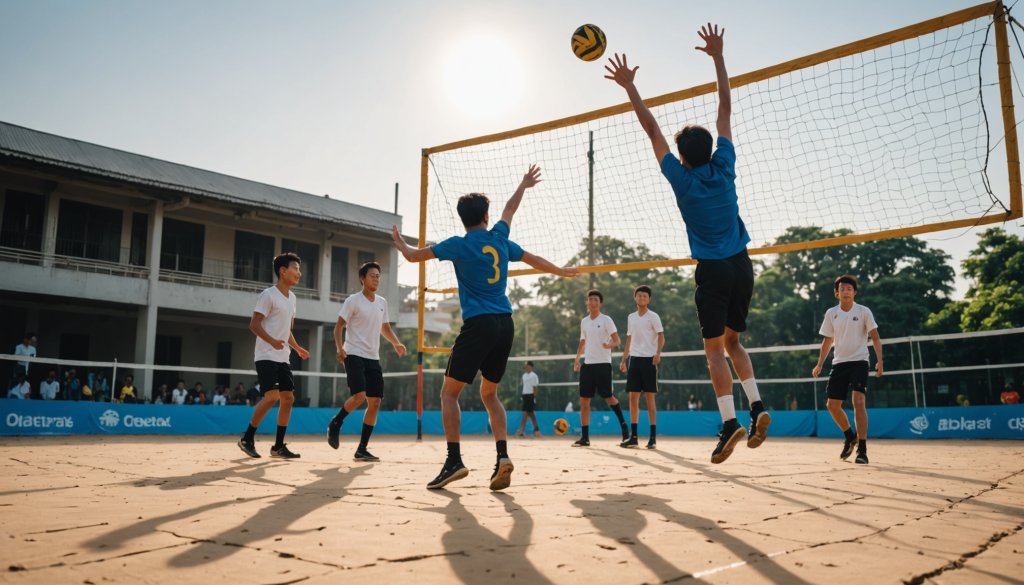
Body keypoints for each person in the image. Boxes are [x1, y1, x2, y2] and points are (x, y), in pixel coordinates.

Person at [605, 25, 769, 464]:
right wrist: (717, 56)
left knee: (714, 349)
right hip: (743, 265)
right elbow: (725, 109)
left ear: (681, 157)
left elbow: (651, 127)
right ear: (712, 149)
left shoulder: (681, 179)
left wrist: (630, 87)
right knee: (735, 343)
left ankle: (731, 422)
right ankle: (757, 406)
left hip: (713, 270)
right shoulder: (726, 164)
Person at [391, 164, 579, 490]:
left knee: (449, 393)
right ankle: (502, 457)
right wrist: (559, 271)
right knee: (489, 393)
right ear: (486, 217)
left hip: (479, 323)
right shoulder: (500, 238)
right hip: (506, 323)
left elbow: (411, 256)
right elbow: (515, 219)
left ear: (462, 219)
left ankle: (454, 461)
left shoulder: (458, 244)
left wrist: (400, 244)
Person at [328, 261, 407, 461]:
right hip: (353, 353)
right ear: (362, 278)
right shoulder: (353, 301)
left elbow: (385, 328)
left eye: (378, 276)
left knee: (375, 402)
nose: (376, 279)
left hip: (373, 357)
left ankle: (362, 449)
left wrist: (396, 343)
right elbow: (338, 327)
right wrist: (340, 348)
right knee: (359, 396)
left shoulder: (382, 302)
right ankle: (336, 422)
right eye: (372, 275)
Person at [237, 253, 310, 459]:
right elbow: (254, 324)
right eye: (295, 268)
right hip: (265, 355)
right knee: (271, 397)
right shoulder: (268, 295)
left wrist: (296, 347)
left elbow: (286, 330)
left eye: (299, 269)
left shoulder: (292, 298)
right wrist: (271, 341)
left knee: (288, 398)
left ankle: (278, 446)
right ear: (282, 271)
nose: (299, 273)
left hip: (282, 356)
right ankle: (247, 438)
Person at [812, 275, 882, 465]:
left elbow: (875, 337)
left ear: (855, 292)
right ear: (837, 293)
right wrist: (819, 364)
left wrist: (880, 361)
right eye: (842, 289)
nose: (845, 292)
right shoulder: (831, 313)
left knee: (858, 401)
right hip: (839, 363)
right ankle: (850, 436)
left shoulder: (863, 311)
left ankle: (863, 450)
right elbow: (827, 341)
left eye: (849, 289)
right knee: (832, 405)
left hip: (860, 361)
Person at [573, 290, 629, 447]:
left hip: (603, 364)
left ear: (600, 303)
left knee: (608, 397)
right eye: (590, 299)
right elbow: (582, 342)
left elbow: (617, 341)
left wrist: (609, 344)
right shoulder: (584, 321)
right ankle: (585, 438)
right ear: (587, 303)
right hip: (588, 365)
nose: (593, 302)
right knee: (584, 400)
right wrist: (577, 360)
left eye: (596, 300)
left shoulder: (606, 320)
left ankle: (624, 426)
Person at [620, 285, 664, 450]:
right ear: (635, 298)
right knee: (633, 398)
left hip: (649, 360)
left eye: (644, 296)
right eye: (639, 295)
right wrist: (624, 360)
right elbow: (629, 339)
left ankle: (652, 438)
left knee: (649, 399)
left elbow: (661, 336)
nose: (641, 298)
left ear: (649, 299)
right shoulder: (631, 317)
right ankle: (634, 437)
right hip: (635, 360)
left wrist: (658, 353)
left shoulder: (653, 317)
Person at [515, 362, 541, 438]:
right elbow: (525, 386)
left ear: (531, 367)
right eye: (527, 367)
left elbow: (535, 387)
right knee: (531, 414)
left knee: (525, 413)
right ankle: (536, 430)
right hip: (525, 395)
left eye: (529, 367)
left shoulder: (534, 375)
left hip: (530, 395)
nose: (528, 368)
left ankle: (521, 431)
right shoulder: (524, 376)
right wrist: (523, 396)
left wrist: (534, 397)